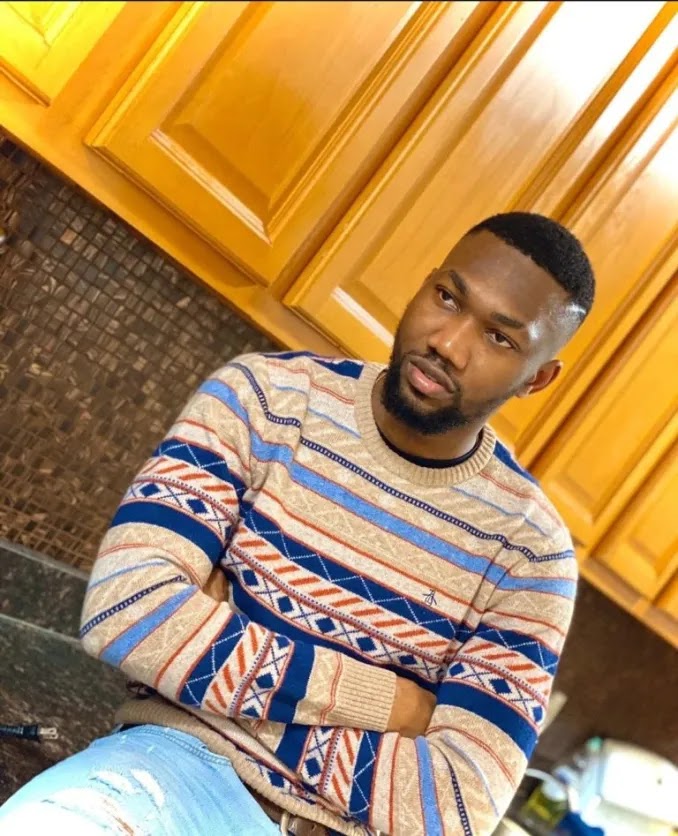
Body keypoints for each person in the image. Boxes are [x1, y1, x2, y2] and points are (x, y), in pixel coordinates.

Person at [0, 212, 595, 835]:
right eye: (447, 298)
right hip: (168, 775)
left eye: (499, 337)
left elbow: (455, 803)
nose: (448, 343)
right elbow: (127, 609)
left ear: (537, 378)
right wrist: (391, 705)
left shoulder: (532, 557)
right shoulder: (264, 400)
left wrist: (209, 676)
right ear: (425, 283)